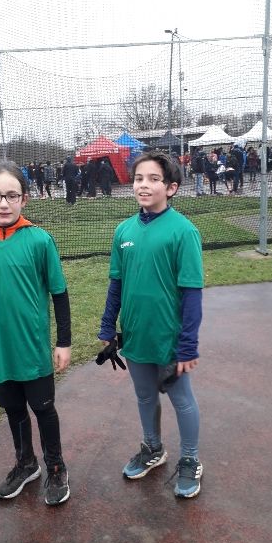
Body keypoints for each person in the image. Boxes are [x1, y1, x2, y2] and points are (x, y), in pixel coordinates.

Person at [0, 160, 71, 506]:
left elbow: (59, 293)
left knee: (43, 408)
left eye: (11, 195)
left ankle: (56, 467)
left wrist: (63, 341)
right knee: (13, 410)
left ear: (24, 198)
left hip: (33, 348)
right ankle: (26, 463)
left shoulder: (39, 240)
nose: (3, 203)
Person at [98, 150, 204, 498]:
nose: (143, 185)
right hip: (135, 334)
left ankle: (190, 459)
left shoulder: (184, 231)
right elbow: (116, 284)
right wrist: (107, 327)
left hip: (169, 339)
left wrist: (188, 345)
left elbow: (191, 293)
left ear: (171, 188)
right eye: (139, 178)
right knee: (144, 396)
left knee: (181, 399)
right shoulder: (123, 231)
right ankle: (153, 449)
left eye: (154, 179)